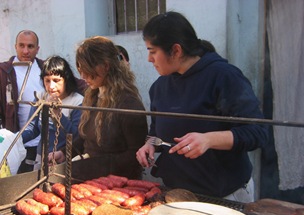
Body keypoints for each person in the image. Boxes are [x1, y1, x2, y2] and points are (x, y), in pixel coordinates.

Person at [136, 11, 269, 203]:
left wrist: (209, 139)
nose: (149, 59)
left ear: (176, 50)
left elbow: (259, 131)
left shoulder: (223, 77)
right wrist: (150, 144)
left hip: (225, 195)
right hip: (178, 194)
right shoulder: (160, 87)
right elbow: (156, 130)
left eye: (152, 51)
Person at [50, 36, 148, 180]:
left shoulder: (129, 104)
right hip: (89, 178)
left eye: (87, 70)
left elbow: (135, 155)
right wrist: (64, 153)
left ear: (105, 66)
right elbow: (86, 140)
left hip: (119, 185)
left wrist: (96, 164)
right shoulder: (93, 97)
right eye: (80, 70)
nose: (82, 76)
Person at [22, 55, 84, 170]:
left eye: (56, 81)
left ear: (66, 80)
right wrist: (14, 139)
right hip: (42, 156)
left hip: (64, 159)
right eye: (47, 81)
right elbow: (32, 128)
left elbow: (75, 136)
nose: (51, 86)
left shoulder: (77, 102)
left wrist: (57, 113)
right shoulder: (41, 96)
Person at [0, 30, 45, 172]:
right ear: (15, 46)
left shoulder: (45, 68)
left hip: (43, 142)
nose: (25, 51)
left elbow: (72, 83)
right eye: (22, 46)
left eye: (30, 46)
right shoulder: (4, 71)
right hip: (15, 141)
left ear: (37, 49)